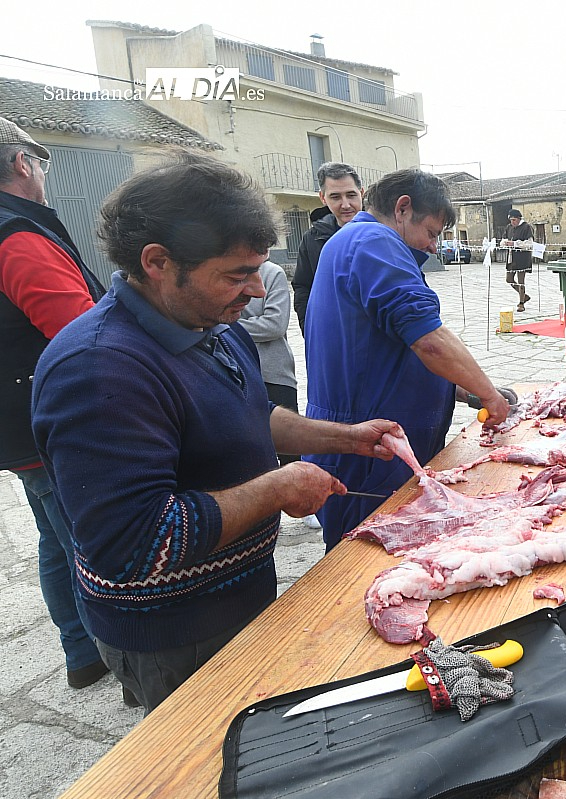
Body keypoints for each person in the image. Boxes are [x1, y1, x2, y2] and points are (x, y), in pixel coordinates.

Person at [31, 152, 403, 712]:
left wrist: (345, 437)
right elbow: (133, 547)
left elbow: (246, 417)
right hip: (173, 630)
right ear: (157, 262)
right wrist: (277, 490)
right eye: (236, 274)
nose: (256, 291)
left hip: (241, 596)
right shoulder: (98, 368)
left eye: (258, 269)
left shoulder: (213, 324)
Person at [303, 168, 512, 550]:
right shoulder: (373, 242)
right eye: (432, 233)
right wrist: (492, 396)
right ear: (402, 209)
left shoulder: (364, 242)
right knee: (366, 568)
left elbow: (393, 349)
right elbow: (428, 340)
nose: (434, 246)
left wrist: (469, 392)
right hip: (369, 453)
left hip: (382, 444)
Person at [0, 119, 111, 692]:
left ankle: (80, 653)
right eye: (41, 163)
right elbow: (82, 335)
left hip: (17, 425)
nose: (42, 173)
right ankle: (125, 665)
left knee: (53, 536)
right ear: (24, 163)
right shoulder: (17, 237)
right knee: (90, 547)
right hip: (49, 424)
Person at [292, 162, 363, 336]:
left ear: (362, 193)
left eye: (351, 195)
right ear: (323, 198)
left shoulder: (385, 234)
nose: (345, 204)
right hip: (332, 338)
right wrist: (310, 329)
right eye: (336, 197)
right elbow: (303, 287)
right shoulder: (312, 239)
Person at [239, 260, 299, 464]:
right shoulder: (219, 270)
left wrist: (227, 324)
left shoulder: (272, 273)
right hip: (238, 374)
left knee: (290, 451)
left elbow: (275, 325)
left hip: (275, 373)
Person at [501, 208, 534, 312]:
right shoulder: (509, 227)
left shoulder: (526, 227)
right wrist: (505, 243)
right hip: (511, 257)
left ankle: (521, 303)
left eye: (514, 220)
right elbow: (503, 239)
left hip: (522, 258)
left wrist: (515, 244)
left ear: (519, 219)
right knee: (509, 279)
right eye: (511, 220)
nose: (512, 222)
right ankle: (524, 295)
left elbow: (529, 244)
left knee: (521, 281)